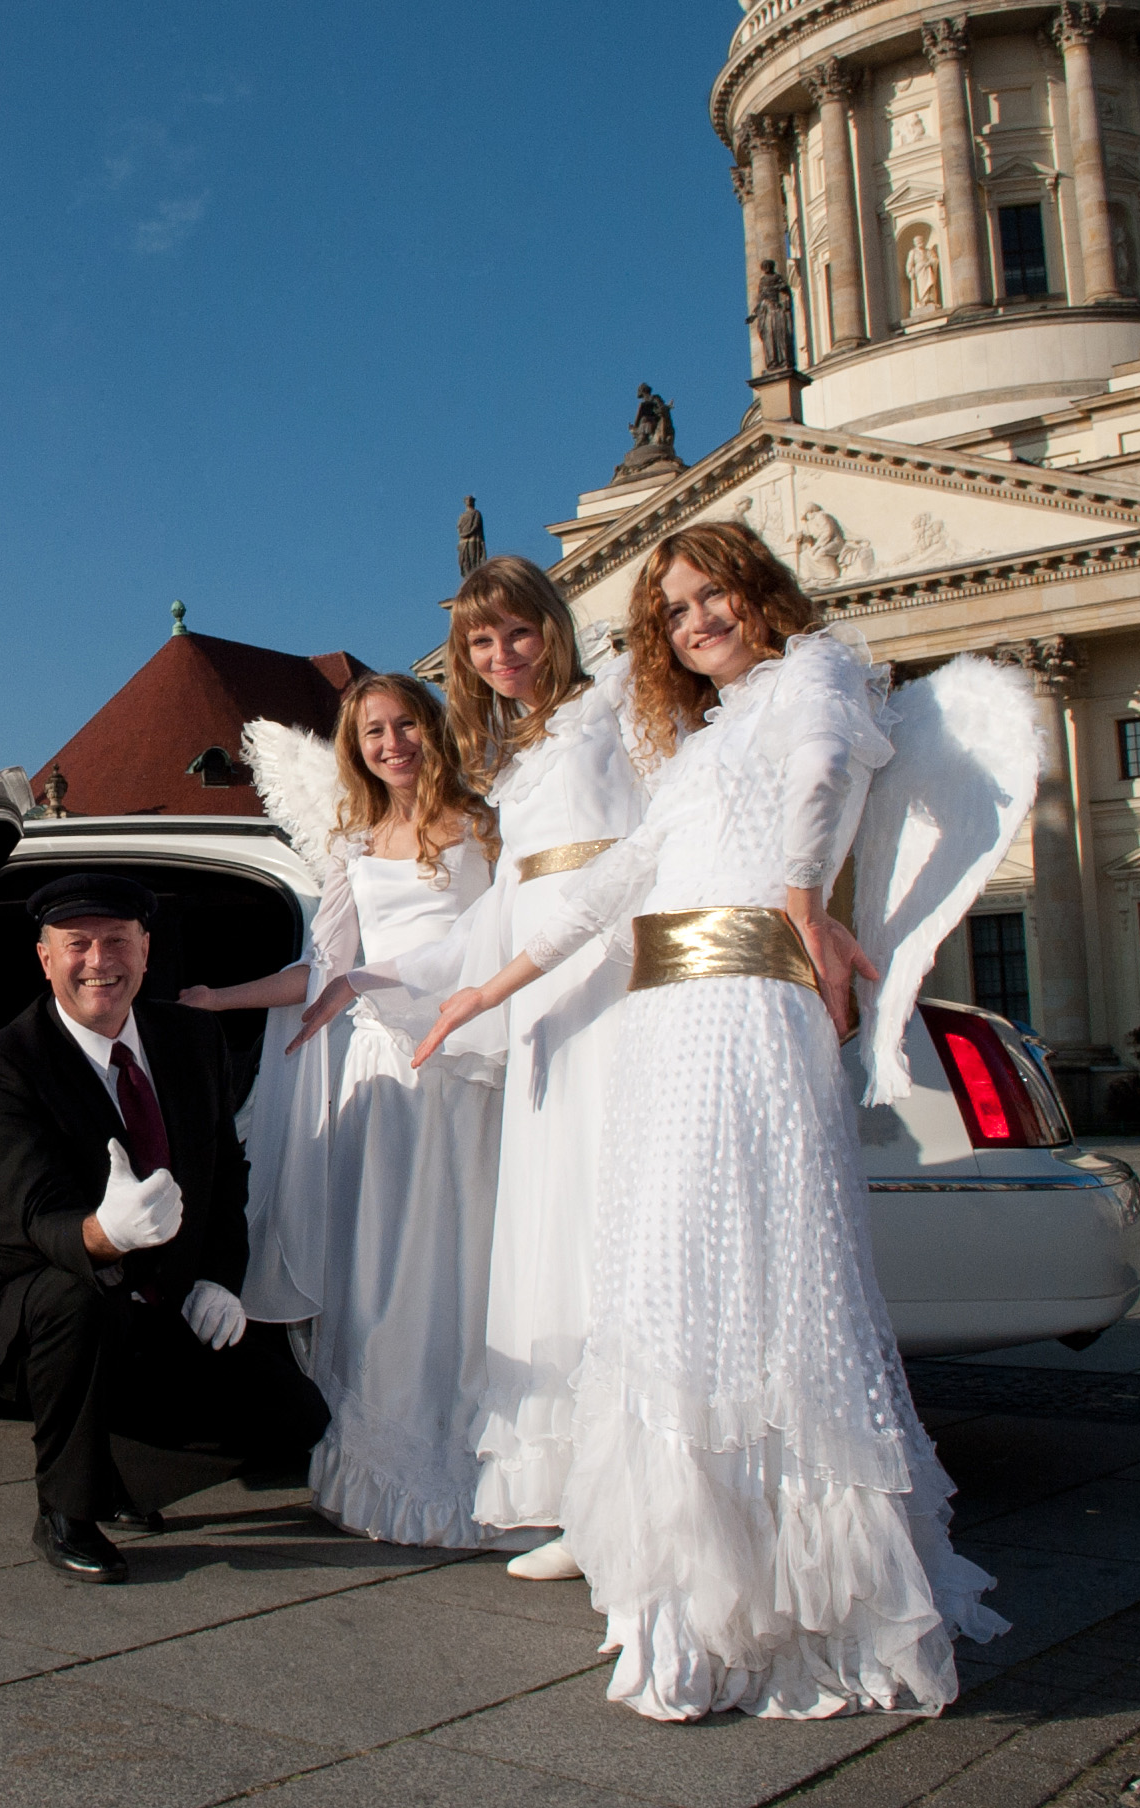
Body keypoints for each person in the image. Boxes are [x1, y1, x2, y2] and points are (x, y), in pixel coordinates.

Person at [415, 522, 1006, 1719]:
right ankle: (700, 1583)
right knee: (671, 1285)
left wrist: (800, 896)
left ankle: (802, 1591)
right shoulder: (705, 737)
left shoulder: (817, 675)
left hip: (749, 999)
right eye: (673, 612)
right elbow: (617, 878)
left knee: (759, 1277)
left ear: (757, 592)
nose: (694, 623)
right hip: (668, 1018)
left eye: (709, 597)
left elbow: (827, 770)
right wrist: (488, 986)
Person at [183, 673, 507, 1546]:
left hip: (460, 1066)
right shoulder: (357, 843)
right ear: (355, 749)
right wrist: (223, 999)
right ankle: (381, 1466)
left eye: (405, 724)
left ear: (432, 729)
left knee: (458, 1265)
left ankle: (475, 1465)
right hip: (378, 1079)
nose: (392, 743)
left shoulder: (484, 824)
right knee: (378, 1272)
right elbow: (323, 974)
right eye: (372, 733)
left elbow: (500, 947)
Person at [0, 873, 327, 1584]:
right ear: (45, 959)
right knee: (77, 1301)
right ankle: (66, 1511)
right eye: (78, 944)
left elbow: (225, 1173)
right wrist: (106, 1232)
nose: (100, 961)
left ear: (146, 953)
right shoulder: (1, 1064)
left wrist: (219, 1277)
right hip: (32, 1295)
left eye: (118, 941)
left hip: (162, 1294)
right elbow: (36, 1216)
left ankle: (123, 1470)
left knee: (294, 1419)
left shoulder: (191, 1036)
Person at [440, 557, 645, 1579]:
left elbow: (642, 851)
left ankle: (635, 1482)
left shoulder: (613, 705)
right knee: (550, 1222)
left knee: (604, 1217)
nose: (502, 654)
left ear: (554, 628)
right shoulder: (514, 755)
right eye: (481, 643)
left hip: (605, 979)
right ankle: (578, 1488)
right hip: (539, 1002)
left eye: (517, 632)